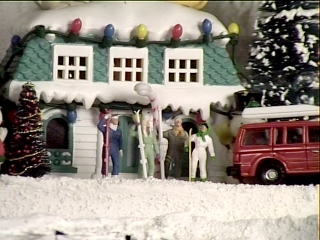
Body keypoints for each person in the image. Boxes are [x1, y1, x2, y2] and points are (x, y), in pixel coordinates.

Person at [97, 113, 123, 178]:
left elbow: (120, 140)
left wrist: (120, 149)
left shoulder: (119, 130)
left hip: (115, 148)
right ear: (111, 120)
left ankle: (115, 175)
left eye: (117, 120)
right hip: (107, 147)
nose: (116, 121)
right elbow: (99, 126)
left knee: (116, 162)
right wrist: (105, 118)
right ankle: (104, 175)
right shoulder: (106, 129)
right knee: (105, 162)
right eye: (115, 120)